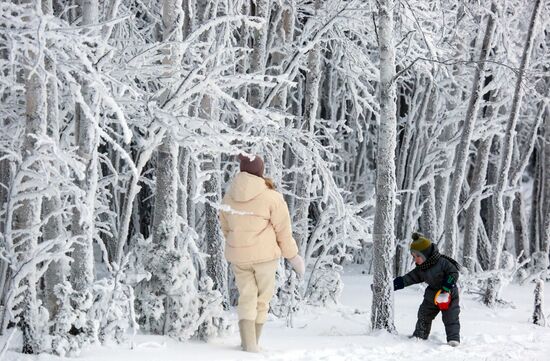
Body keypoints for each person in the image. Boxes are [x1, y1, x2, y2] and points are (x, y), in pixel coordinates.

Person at [220, 154, 305, 352]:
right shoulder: (272, 197)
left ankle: (248, 345)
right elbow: (283, 230)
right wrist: (292, 256)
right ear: (260, 171)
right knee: (262, 300)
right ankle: (252, 345)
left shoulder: (229, 195)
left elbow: (225, 227)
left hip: (239, 257)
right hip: (265, 258)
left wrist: (238, 242)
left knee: (246, 296)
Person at [393, 232, 461, 347]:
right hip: (432, 294)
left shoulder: (442, 262)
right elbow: (409, 278)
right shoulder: (421, 269)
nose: (415, 260)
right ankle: (420, 335)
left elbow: (453, 273)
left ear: (427, 254)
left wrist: (446, 287)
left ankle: (453, 339)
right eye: (413, 257)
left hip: (448, 294)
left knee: (451, 316)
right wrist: (391, 285)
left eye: (418, 256)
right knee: (424, 314)